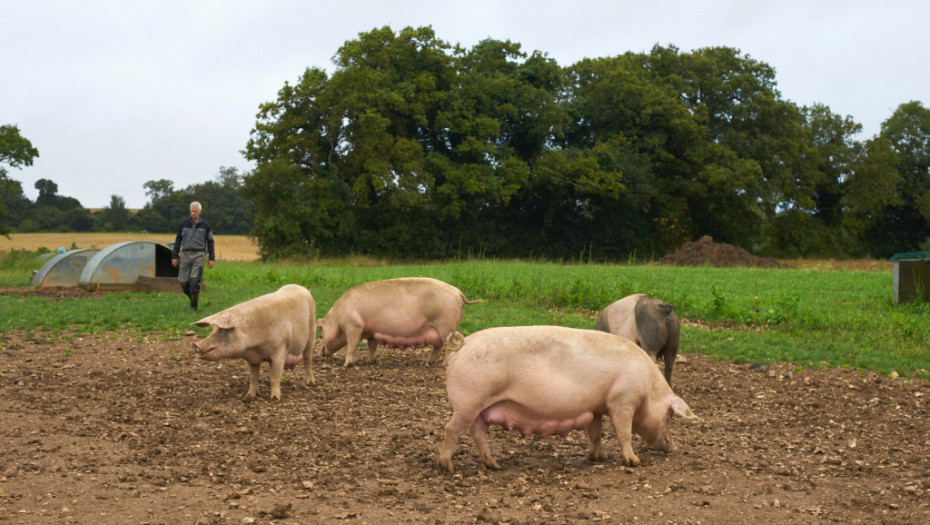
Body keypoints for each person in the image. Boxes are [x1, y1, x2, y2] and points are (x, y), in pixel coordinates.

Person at [171, 201, 215, 312]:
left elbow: (210, 242)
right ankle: (193, 298)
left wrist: (211, 258)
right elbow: (178, 240)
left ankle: (193, 307)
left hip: (199, 255)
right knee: (183, 281)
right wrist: (174, 256)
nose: (193, 213)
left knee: (194, 281)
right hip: (185, 254)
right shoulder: (183, 225)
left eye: (195, 211)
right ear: (190, 211)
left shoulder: (206, 225)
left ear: (200, 212)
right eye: (192, 211)